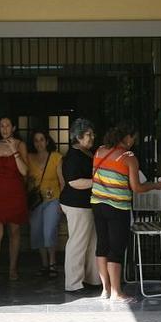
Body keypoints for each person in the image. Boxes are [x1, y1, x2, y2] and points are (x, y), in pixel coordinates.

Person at [90, 120, 161, 302]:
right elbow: (137, 187)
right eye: (134, 138)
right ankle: (117, 292)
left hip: (97, 204)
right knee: (116, 249)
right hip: (117, 208)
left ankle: (105, 290)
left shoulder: (99, 150)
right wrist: (155, 185)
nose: (134, 141)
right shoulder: (129, 157)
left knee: (102, 245)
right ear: (127, 137)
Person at [0, 116, 29, 284]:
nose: (4, 129)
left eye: (7, 125)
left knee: (14, 232)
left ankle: (12, 269)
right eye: (1, 126)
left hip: (15, 192)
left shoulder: (20, 144)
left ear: (14, 127)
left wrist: (14, 151)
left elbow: (25, 172)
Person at [59, 118, 102, 293]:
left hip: (86, 204)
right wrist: (98, 182)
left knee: (92, 242)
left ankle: (92, 279)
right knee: (78, 242)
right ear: (78, 137)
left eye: (92, 134)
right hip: (76, 204)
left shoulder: (86, 153)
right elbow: (74, 182)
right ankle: (73, 283)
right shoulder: (73, 156)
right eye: (88, 135)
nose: (92, 137)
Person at [27, 129, 63, 278]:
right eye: (36, 140)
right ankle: (44, 264)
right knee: (37, 232)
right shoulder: (29, 158)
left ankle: (53, 263)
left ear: (47, 141)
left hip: (53, 199)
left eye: (42, 139)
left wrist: (63, 202)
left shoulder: (56, 157)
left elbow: (62, 181)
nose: (39, 143)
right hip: (36, 201)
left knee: (49, 231)